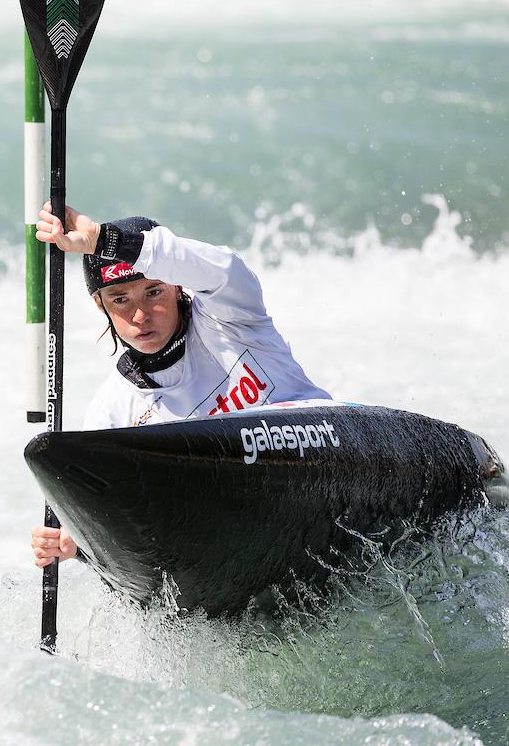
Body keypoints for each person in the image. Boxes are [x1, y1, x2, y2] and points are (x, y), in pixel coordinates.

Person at [30, 203, 331, 569]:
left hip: (319, 469)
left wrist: (103, 241)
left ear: (175, 284)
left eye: (153, 292)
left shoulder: (231, 316)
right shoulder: (113, 413)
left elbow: (221, 267)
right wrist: (79, 546)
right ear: (100, 304)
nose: (139, 314)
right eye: (120, 300)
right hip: (239, 536)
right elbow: (132, 536)